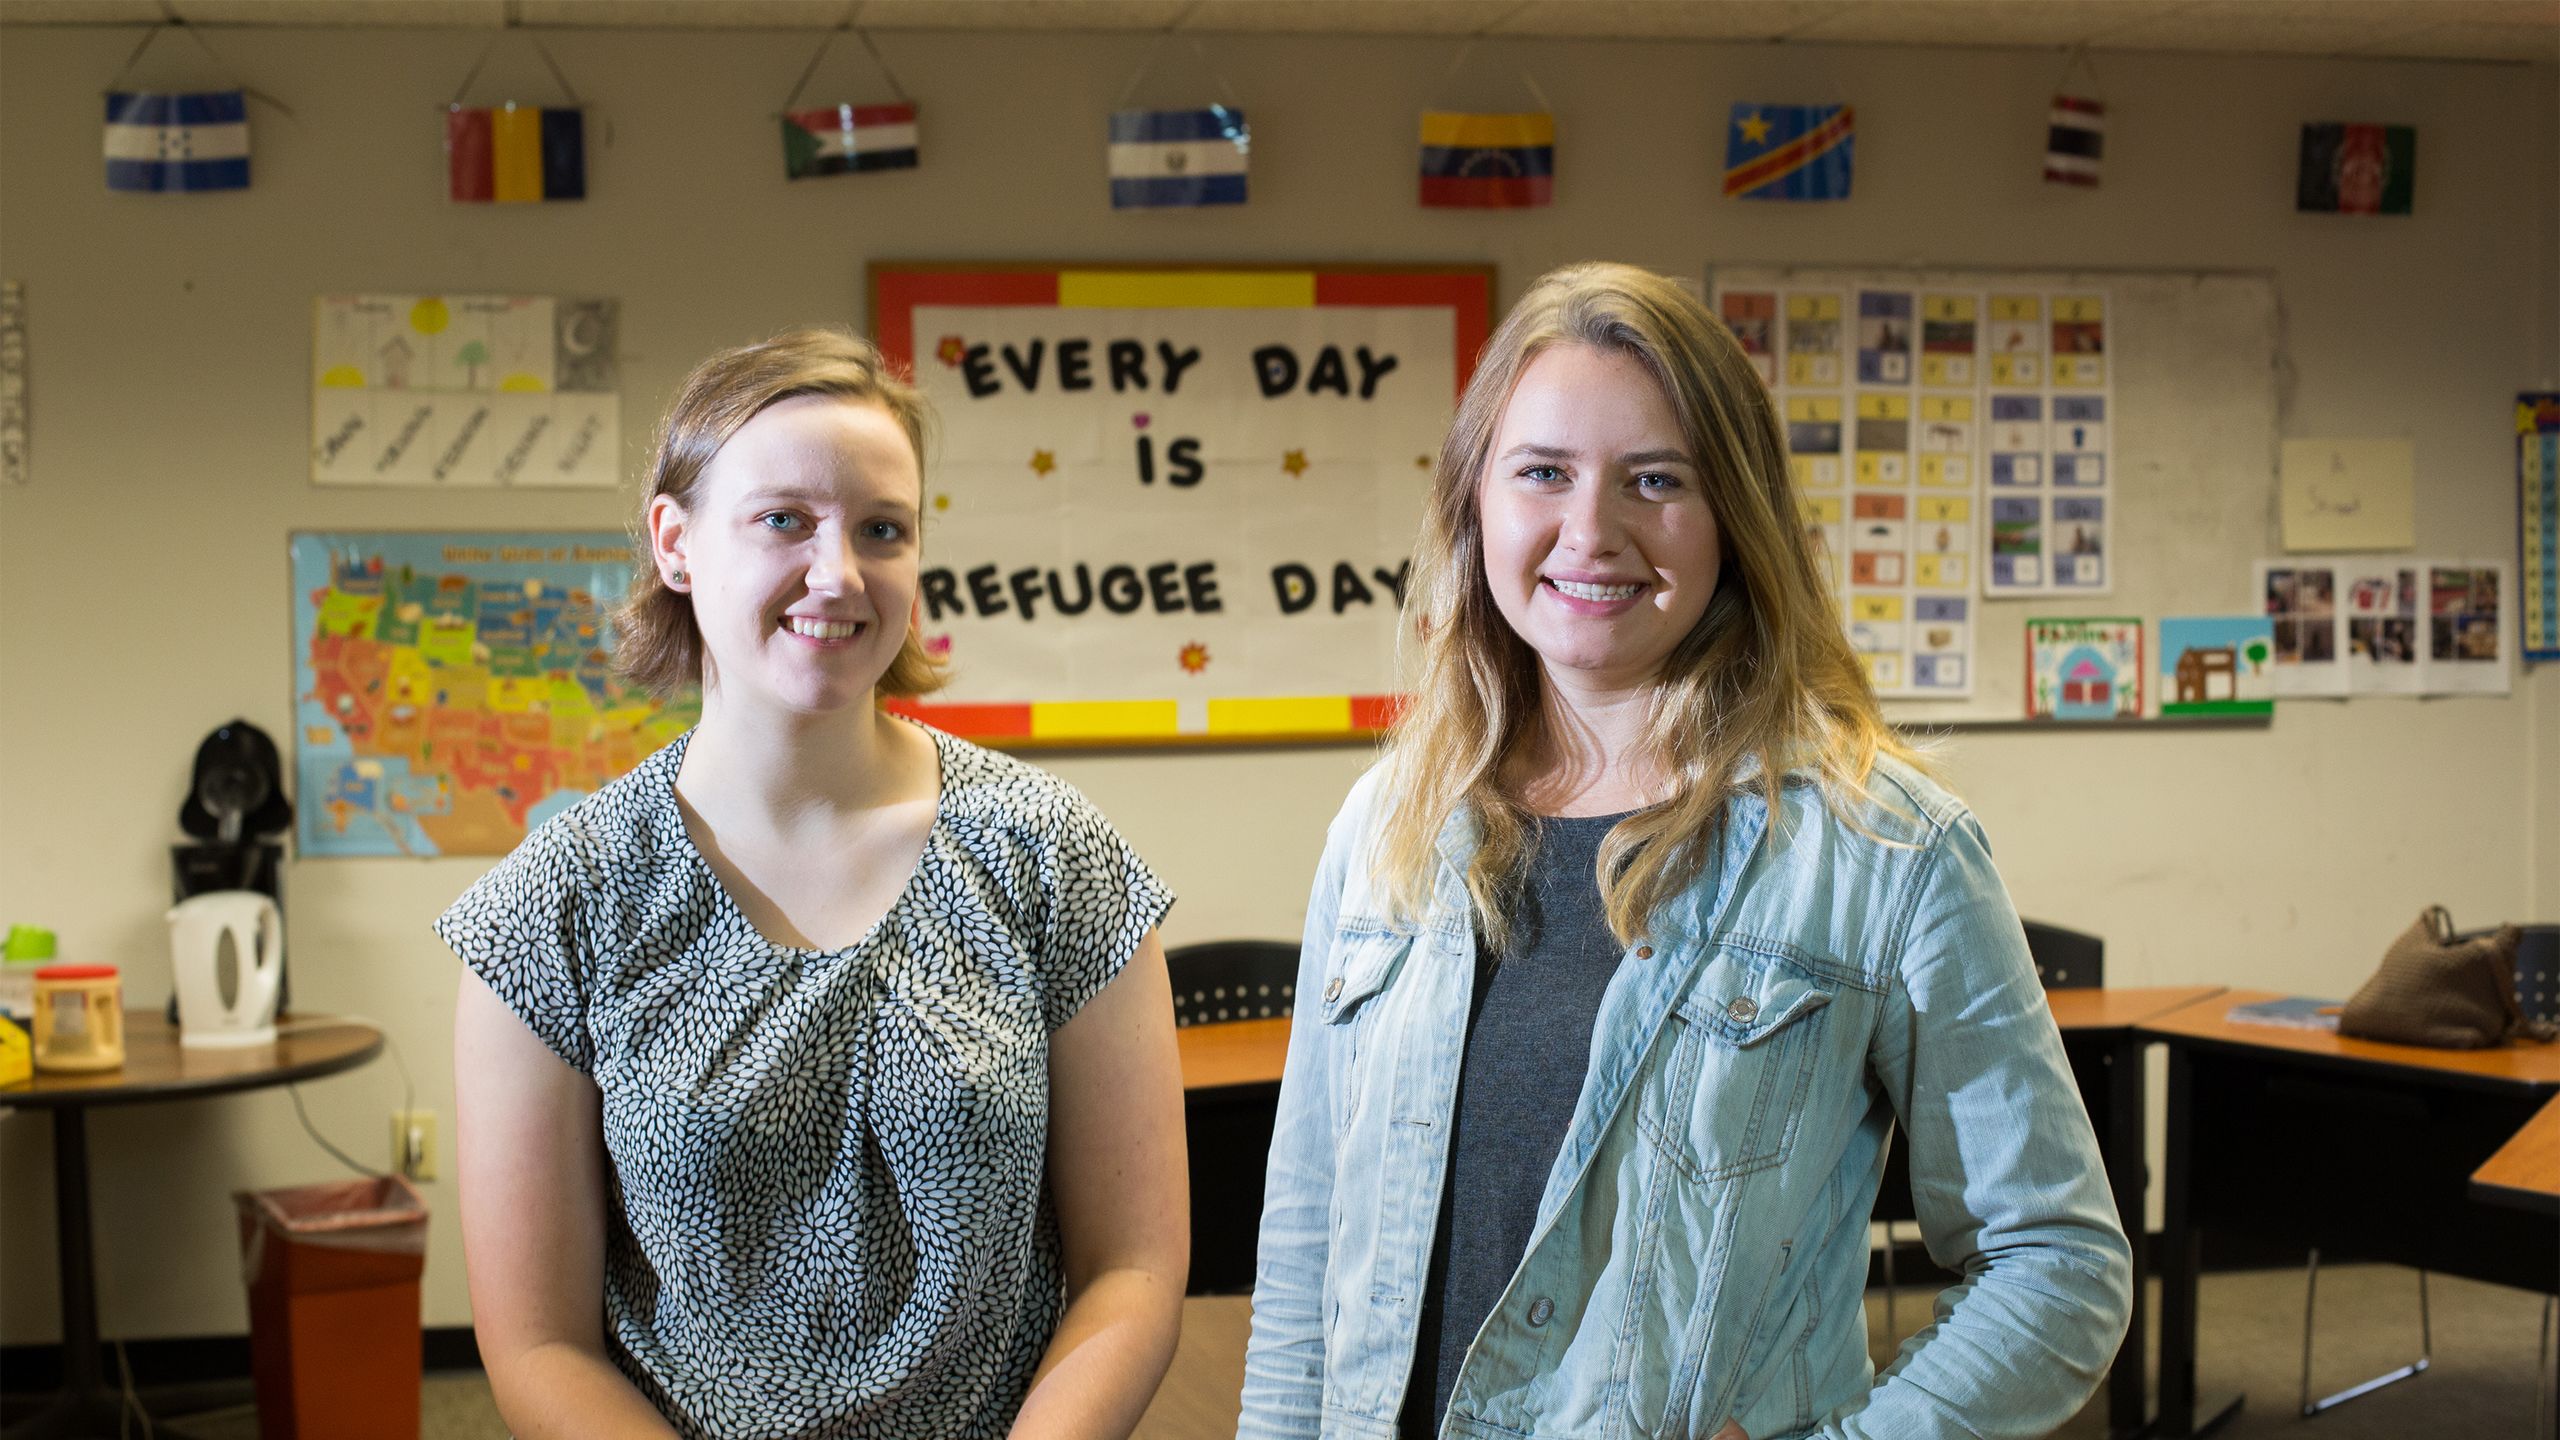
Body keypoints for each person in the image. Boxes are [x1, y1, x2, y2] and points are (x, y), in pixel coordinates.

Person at [1239, 265, 2130, 1440]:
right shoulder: (1387, 827)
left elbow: (2056, 1262)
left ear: (1735, 517)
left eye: (1655, 480)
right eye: (1542, 473)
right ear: (1475, 502)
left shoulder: (1883, 850)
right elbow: (1305, 1255)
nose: (1590, 530)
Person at [442, 328, 1186, 1440]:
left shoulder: (1050, 854)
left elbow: (1132, 1267)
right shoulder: (556, 905)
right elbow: (537, 1344)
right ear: (676, 540)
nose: (837, 574)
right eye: (783, 519)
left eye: (881, 529)